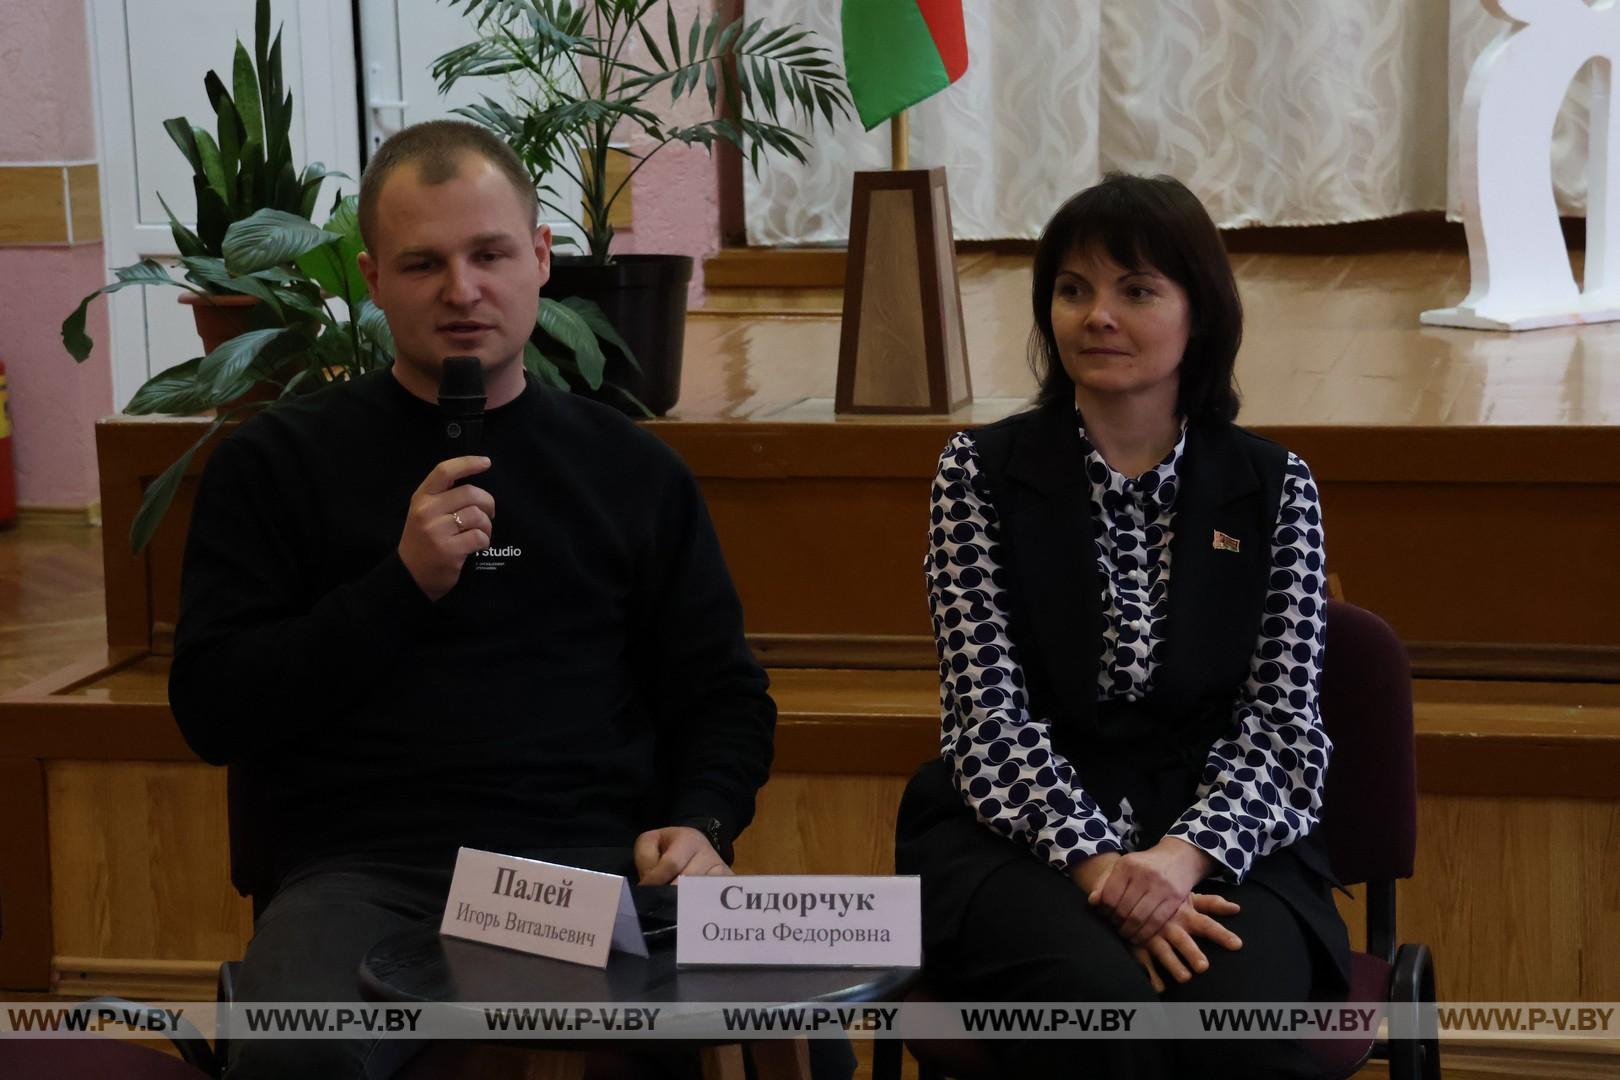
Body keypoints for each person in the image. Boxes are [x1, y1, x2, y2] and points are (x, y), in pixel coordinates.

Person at [169, 120, 783, 1079]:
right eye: (423, 265)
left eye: (489, 255)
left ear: (540, 258)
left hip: (583, 871)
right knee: (299, 1057)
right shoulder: (276, 465)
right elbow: (214, 709)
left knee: (759, 1034)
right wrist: (399, 587)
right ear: (373, 279)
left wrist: (702, 823)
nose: (461, 291)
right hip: (365, 873)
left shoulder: (632, 471)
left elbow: (725, 695)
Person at [895, 173, 1351, 1078]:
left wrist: (1178, 861)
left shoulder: (1274, 486)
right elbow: (987, 721)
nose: (1097, 316)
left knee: (1235, 1032)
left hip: (1221, 838)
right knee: (1101, 1021)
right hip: (1024, 839)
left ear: (1199, 314)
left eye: (1136, 290)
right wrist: (1101, 867)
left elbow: (1283, 727)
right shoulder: (978, 475)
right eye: (1073, 290)